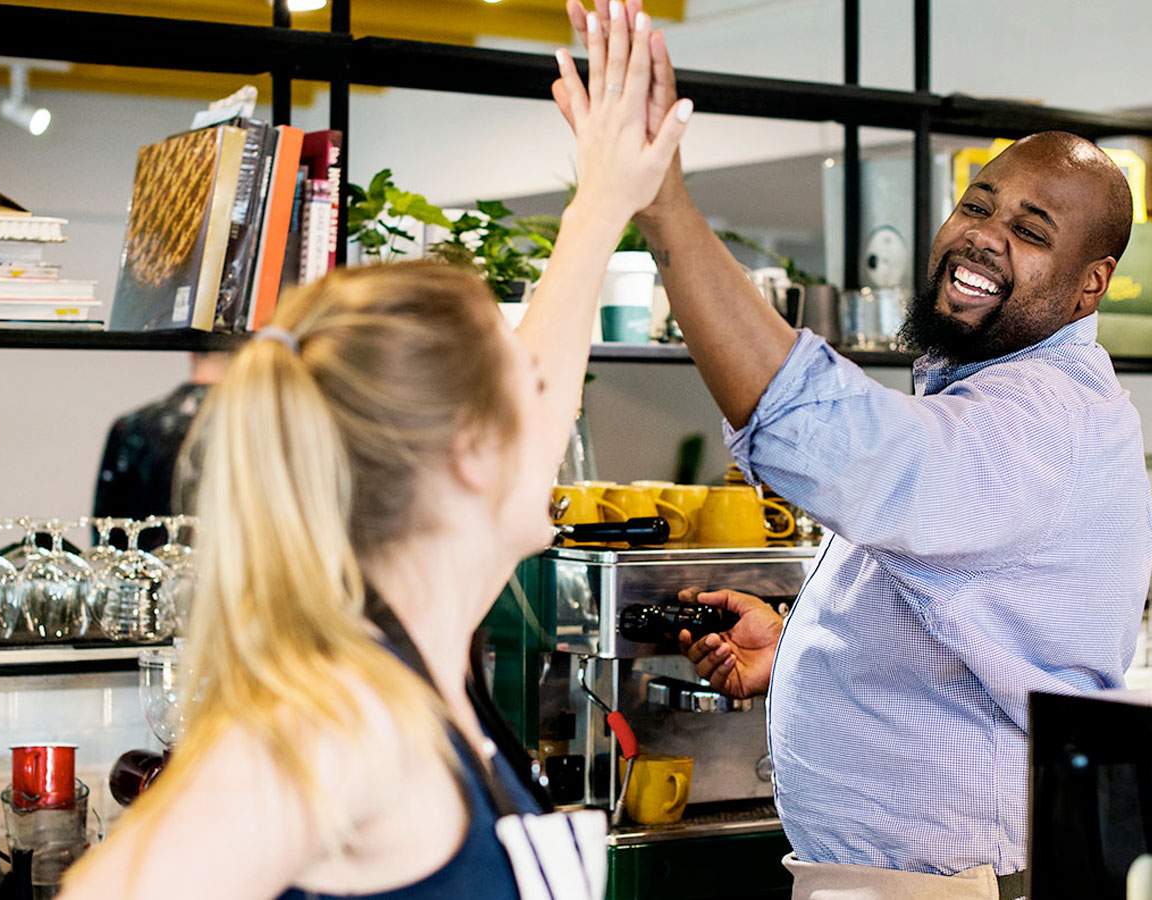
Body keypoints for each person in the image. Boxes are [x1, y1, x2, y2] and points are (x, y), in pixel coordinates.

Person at [61, 9, 690, 899]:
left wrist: (603, 201)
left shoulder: (429, 641)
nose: (554, 427)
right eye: (530, 395)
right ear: (469, 456)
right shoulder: (347, 715)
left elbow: (539, 382)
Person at [555, 3, 1152, 897]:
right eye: (976, 205)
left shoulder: (1044, 419)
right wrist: (795, 643)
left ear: (1089, 287)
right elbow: (956, 613)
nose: (984, 234)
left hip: (950, 888)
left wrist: (663, 207)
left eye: (1031, 231)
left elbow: (836, 445)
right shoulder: (985, 398)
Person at [91, 351, 229, 549]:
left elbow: (107, 538)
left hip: (145, 575)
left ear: (191, 352)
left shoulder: (133, 426)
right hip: (236, 572)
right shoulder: (262, 428)